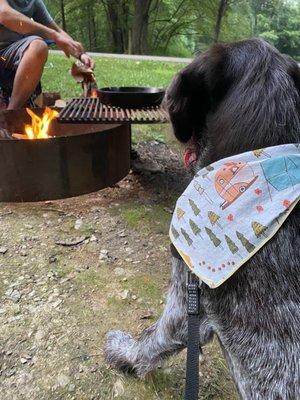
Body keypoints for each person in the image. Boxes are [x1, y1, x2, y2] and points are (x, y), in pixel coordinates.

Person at [0, 0, 95, 109]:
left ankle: (12, 112)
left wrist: (81, 55)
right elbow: (5, 15)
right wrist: (53, 35)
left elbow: (56, 31)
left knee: (38, 46)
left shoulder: (33, 2)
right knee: (38, 43)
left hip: (11, 51)